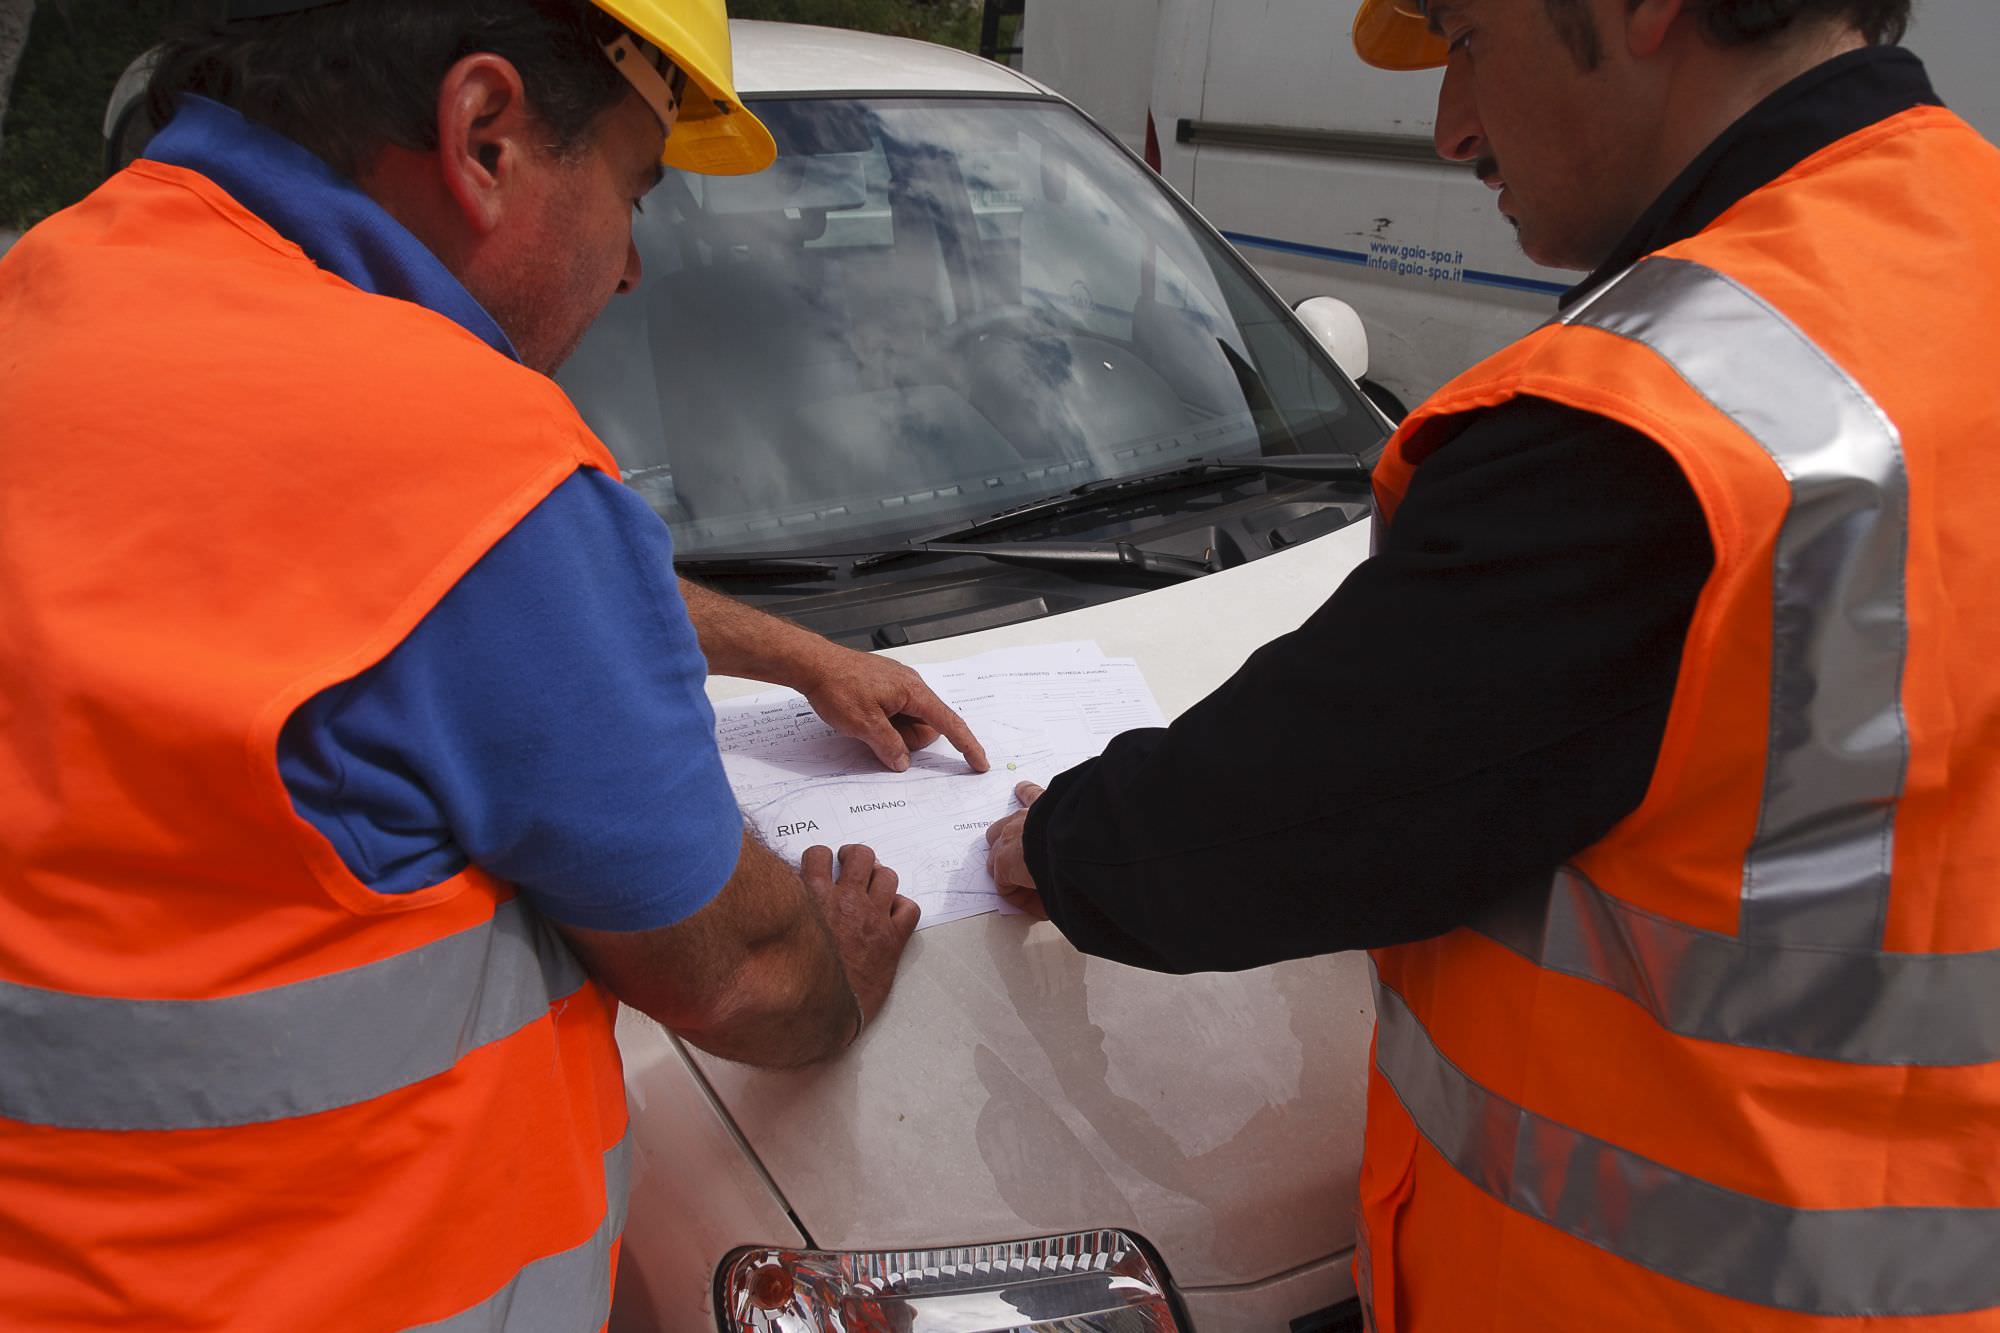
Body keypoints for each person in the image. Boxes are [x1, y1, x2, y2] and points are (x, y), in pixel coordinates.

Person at [987, 0, 2000, 1327]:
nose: (1451, 124)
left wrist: (1053, 840)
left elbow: (1283, 811)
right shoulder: (1959, 240)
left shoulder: (1653, 430)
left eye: (1467, 37)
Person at [0, 0, 986, 1327]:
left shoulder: (64, 286)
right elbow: (738, 972)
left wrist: (785, 649)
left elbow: (366, 578)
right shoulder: (470, 457)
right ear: (485, 137)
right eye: (637, 190)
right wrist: (839, 972)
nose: (634, 267)